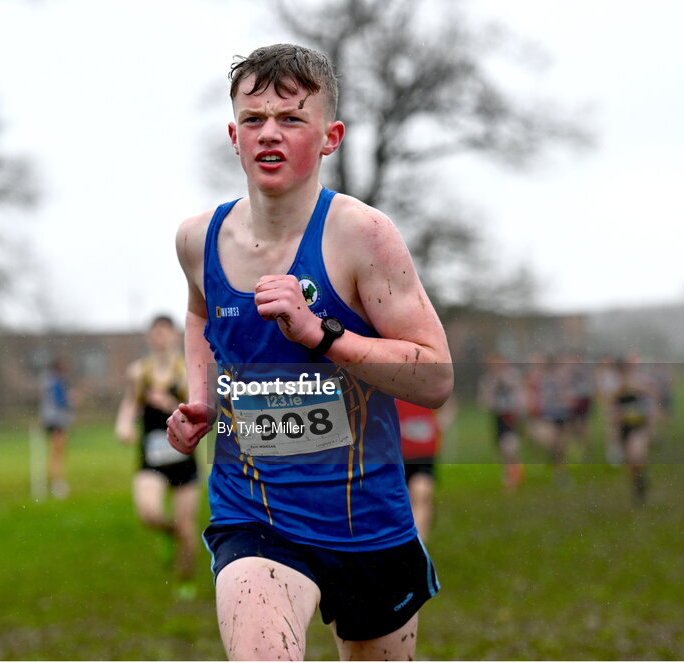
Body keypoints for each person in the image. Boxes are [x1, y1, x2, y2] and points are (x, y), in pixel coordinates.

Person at [165, 44, 453, 660]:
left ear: (330, 137)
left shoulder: (363, 236)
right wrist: (201, 398)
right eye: (254, 119)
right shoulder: (198, 239)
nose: (270, 133)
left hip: (366, 520)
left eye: (292, 119)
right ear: (233, 135)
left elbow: (434, 378)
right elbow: (198, 314)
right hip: (255, 515)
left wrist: (322, 334)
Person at [115, 315, 200, 599]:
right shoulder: (139, 372)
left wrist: (174, 404)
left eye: (165, 332)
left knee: (188, 526)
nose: (160, 337)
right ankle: (167, 531)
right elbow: (130, 404)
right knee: (148, 512)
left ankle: (185, 580)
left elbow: (200, 406)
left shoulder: (186, 370)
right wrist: (124, 425)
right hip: (151, 458)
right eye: (155, 332)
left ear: (175, 335)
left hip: (183, 460)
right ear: (149, 337)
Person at [396, 397, 456, 543]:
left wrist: (441, 423)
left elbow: (447, 399)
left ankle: (418, 545)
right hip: (396, 454)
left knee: (421, 492)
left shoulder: (426, 380)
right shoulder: (385, 382)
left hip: (424, 453)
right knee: (404, 502)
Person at [611, 356, 657, 505]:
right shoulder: (613, 383)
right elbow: (609, 401)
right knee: (631, 461)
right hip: (624, 427)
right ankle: (638, 482)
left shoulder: (639, 380)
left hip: (639, 425)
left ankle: (640, 484)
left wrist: (634, 387)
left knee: (637, 454)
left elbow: (652, 394)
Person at [477, 354, 526, 491]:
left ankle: (513, 476)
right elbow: (484, 402)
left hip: (511, 416)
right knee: (501, 448)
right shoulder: (488, 380)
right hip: (497, 417)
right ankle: (512, 469)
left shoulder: (512, 376)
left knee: (509, 446)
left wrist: (521, 410)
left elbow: (520, 395)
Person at [40, 357, 74, 499]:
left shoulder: (48, 380)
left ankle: (56, 481)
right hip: (57, 420)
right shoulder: (56, 381)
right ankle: (57, 482)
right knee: (58, 452)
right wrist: (72, 399)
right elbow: (61, 400)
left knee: (56, 452)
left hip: (51, 420)